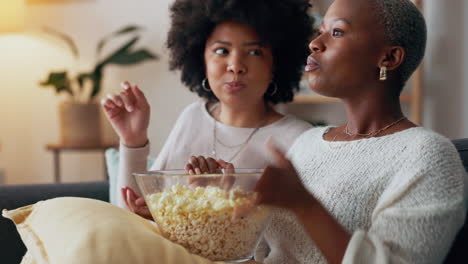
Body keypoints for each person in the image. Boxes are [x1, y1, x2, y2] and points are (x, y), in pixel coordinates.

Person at [188, 0, 466, 263]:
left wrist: (305, 205)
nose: (315, 43)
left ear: (389, 57)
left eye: (337, 32)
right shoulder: (308, 143)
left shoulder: (428, 155)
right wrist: (216, 204)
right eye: (320, 32)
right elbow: (261, 254)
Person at [101, 0, 314, 219]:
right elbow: (132, 216)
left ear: (276, 64)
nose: (235, 65)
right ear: (201, 58)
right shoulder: (192, 117)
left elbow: (291, 244)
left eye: (254, 52)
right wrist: (133, 141)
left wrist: (221, 201)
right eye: (222, 50)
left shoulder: (299, 139)